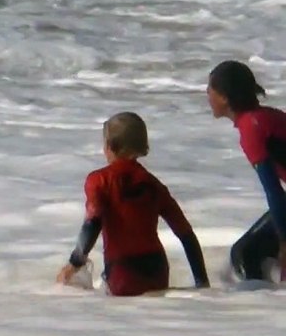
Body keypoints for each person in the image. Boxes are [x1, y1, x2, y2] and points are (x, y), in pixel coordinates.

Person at [57, 112, 209, 295]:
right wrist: (202, 283)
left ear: (109, 146)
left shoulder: (98, 180)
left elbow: (92, 223)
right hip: (158, 271)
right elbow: (186, 234)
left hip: (123, 271)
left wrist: (74, 264)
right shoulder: (153, 184)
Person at [206, 60, 286, 283]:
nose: (207, 96)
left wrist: (284, 241)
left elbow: (274, 191)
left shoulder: (252, 128)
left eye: (209, 89)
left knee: (245, 254)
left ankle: (263, 309)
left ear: (224, 97)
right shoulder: (265, 117)